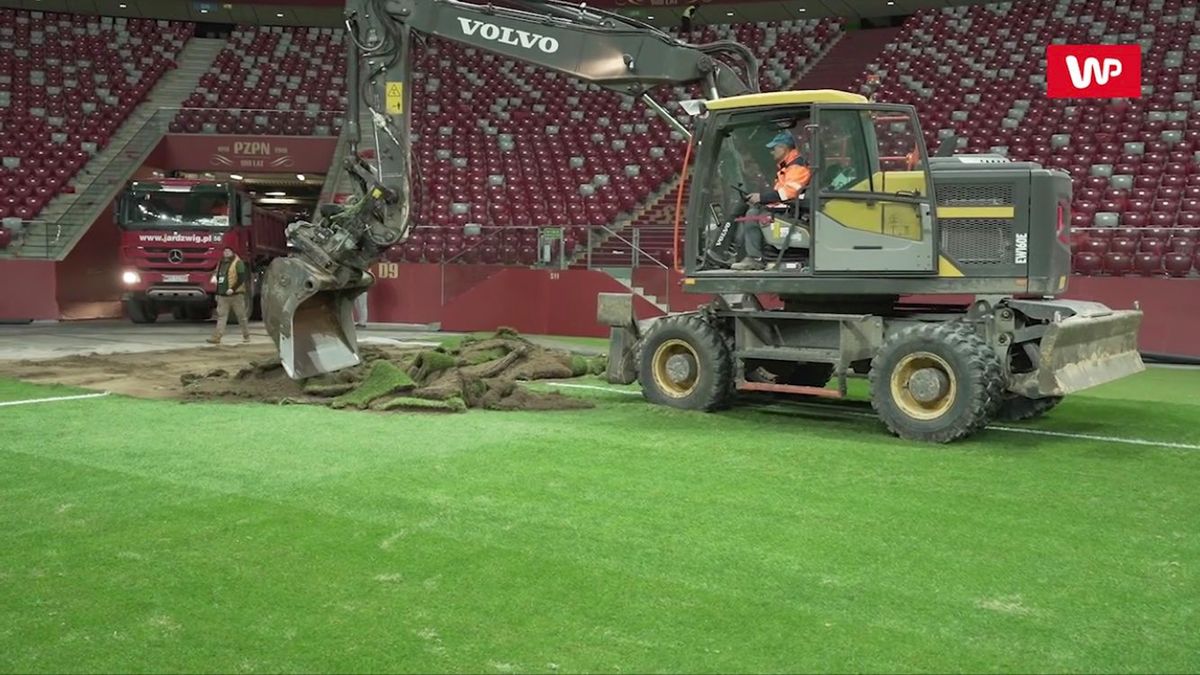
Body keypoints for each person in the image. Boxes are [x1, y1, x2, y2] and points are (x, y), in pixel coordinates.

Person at [728, 131, 812, 271]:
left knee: (753, 215)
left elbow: (789, 193)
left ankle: (754, 258)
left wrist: (761, 198)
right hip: (788, 207)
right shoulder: (787, 167)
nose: (771, 152)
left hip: (793, 210)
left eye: (774, 148)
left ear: (783, 148)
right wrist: (762, 199)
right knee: (753, 211)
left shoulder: (796, 167)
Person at [207, 246, 250, 344]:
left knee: (241, 316)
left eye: (228, 251)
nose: (226, 253)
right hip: (223, 295)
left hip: (236, 295)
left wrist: (232, 289)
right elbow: (218, 274)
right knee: (221, 316)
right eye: (225, 251)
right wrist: (217, 289)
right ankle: (217, 337)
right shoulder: (221, 263)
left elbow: (241, 278)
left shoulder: (238, 263)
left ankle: (246, 335)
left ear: (232, 252)